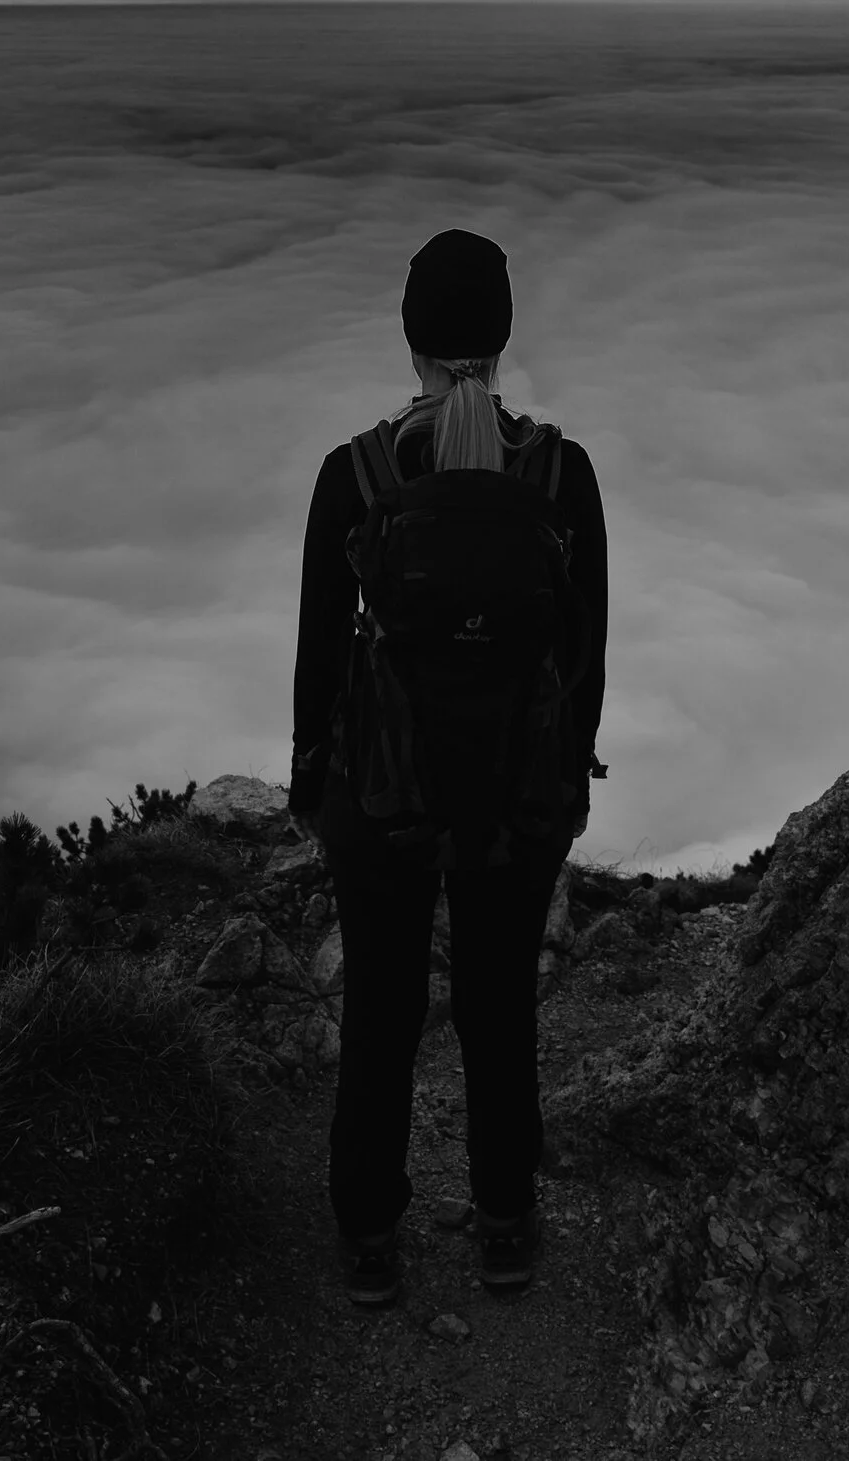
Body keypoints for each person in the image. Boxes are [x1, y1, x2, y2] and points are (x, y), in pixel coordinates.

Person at [286, 227, 608, 1306]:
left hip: (381, 785)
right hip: (517, 785)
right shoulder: (561, 473)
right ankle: (505, 1225)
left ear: (411, 336)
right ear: (505, 334)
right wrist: (563, 789)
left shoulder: (355, 475)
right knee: (497, 1001)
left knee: (381, 1002)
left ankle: (370, 1239)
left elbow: (319, 653)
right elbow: (585, 650)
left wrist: (308, 781)